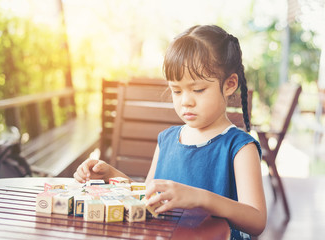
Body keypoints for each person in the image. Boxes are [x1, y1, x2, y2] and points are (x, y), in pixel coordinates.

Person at [74, 25, 266, 239]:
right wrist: (110, 175)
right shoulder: (167, 139)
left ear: (230, 84)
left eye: (198, 90)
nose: (186, 101)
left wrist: (201, 198)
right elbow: (148, 195)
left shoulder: (239, 146)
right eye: (176, 90)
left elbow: (257, 220)